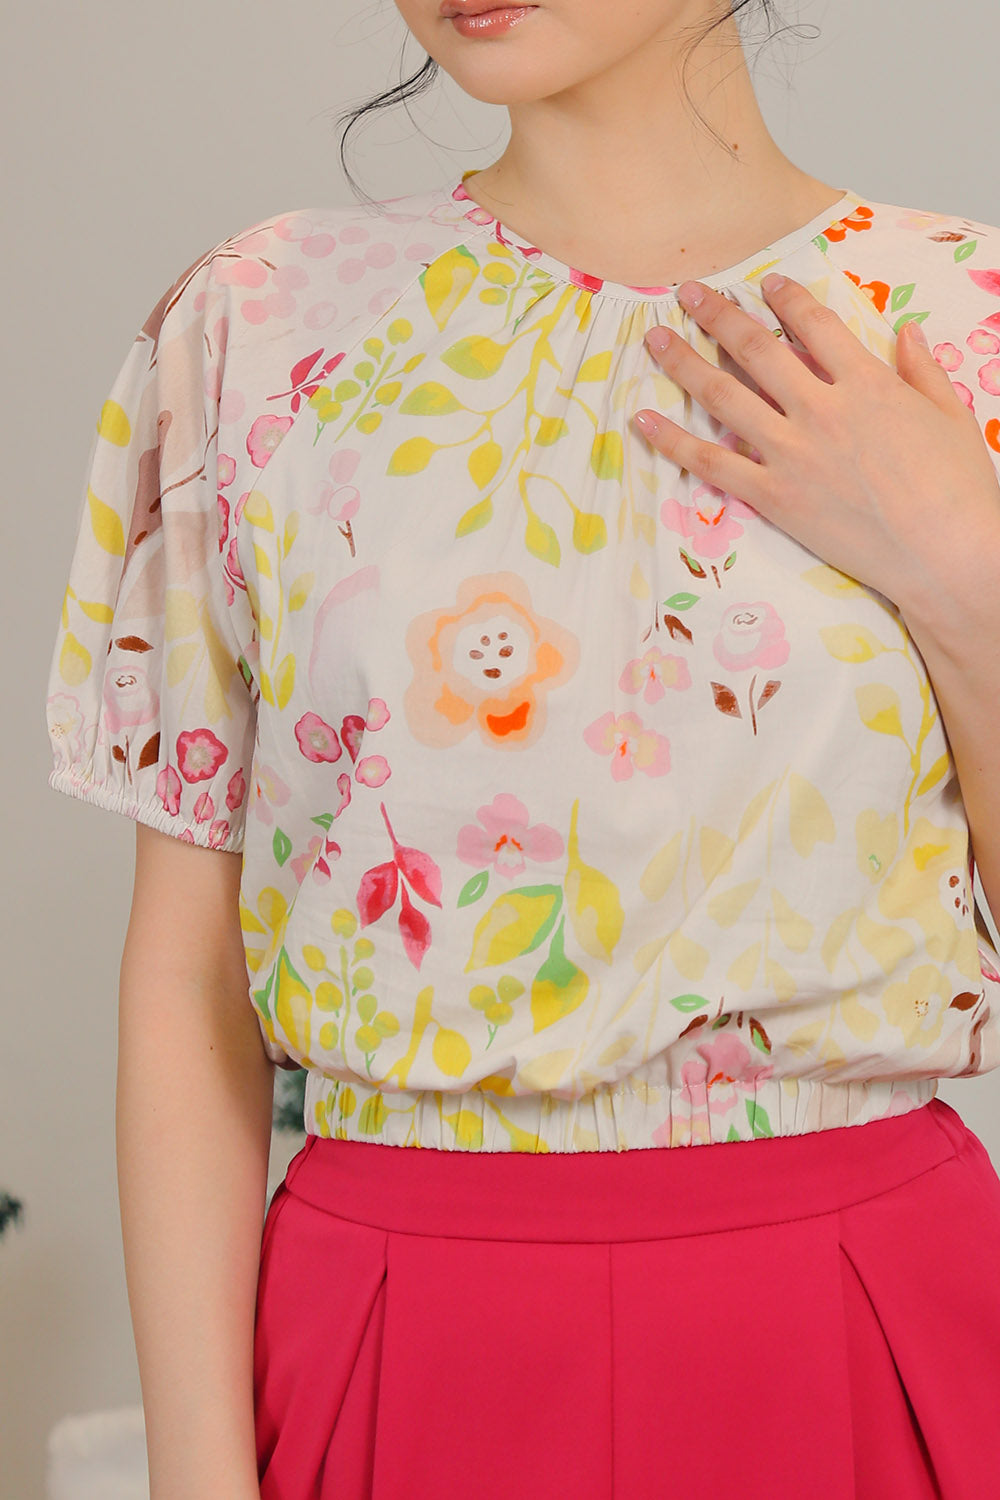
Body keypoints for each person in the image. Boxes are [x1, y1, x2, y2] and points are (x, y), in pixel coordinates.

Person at [43, 0, 1000, 1495]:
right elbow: (189, 979)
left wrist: (971, 572)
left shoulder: (963, 322)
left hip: (862, 1310)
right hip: (397, 1319)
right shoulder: (262, 327)